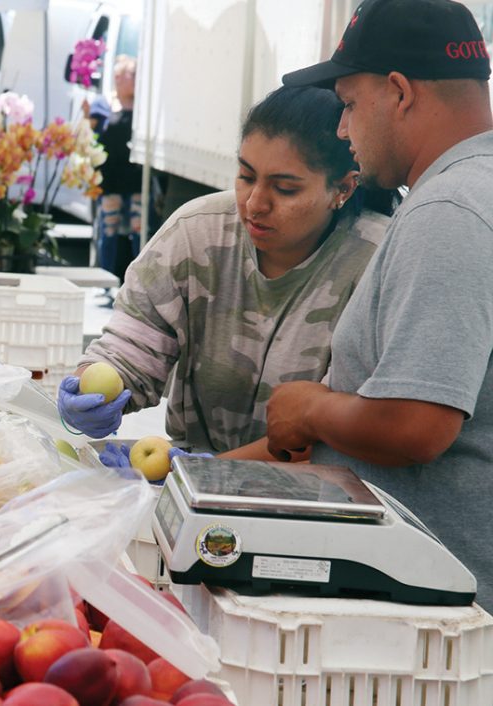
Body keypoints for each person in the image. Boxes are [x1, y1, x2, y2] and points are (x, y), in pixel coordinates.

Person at [266, 0, 493, 608]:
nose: (342, 130)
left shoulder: (448, 210)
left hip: (434, 601)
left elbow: (418, 424)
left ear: (398, 91)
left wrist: (310, 408)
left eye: (347, 104)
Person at [57, 84, 394, 458]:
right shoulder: (197, 232)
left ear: (343, 188)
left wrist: (207, 474)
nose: (254, 203)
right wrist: (94, 384)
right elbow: (132, 346)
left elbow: (339, 430)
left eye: (284, 189)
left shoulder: (376, 262)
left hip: (313, 499)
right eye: (246, 176)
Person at [92, 56, 146, 280]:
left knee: (138, 231)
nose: (135, 79)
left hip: (135, 178)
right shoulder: (104, 104)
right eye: (131, 74)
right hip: (111, 179)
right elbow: (90, 136)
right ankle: (106, 279)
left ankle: (138, 280)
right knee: (109, 230)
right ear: (117, 77)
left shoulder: (141, 107)